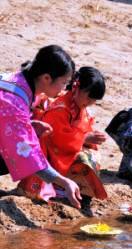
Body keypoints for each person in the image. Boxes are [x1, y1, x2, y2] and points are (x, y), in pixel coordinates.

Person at [0, 45, 83, 208]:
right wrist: (64, 182)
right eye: (63, 82)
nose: (64, 89)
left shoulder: (15, 80)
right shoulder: (14, 100)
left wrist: (29, 125)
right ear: (46, 78)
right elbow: (27, 153)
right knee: (15, 154)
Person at [19, 67, 108, 201]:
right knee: (85, 158)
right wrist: (84, 138)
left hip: (65, 148)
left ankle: (71, 185)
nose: (91, 103)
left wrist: (90, 137)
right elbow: (58, 139)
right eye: (89, 98)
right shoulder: (60, 108)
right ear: (76, 88)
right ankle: (58, 185)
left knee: (91, 154)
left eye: (94, 100)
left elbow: (82, 128)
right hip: (50, 152)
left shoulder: (78, 105)